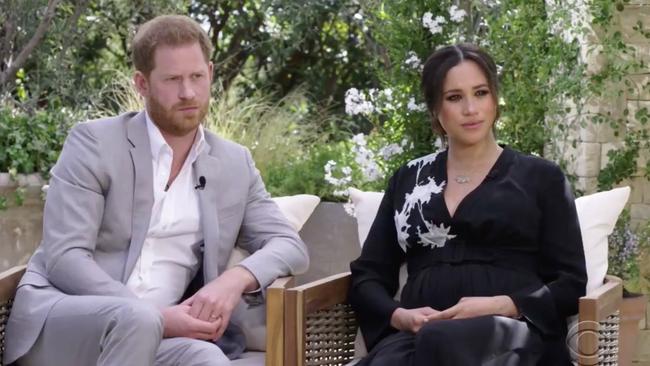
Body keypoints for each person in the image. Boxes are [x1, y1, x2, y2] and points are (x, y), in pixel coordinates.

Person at [4, 14, 309, 366]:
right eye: (172, 80)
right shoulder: (94, 143)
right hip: (67, 322)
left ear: (210, 73)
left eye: (196, 77)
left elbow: (290, 246)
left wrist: (234, 280)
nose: (188, 93)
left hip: (162, 336)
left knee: (208, 360)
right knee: (139, 319)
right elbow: (64, 258)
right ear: (142, 83)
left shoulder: (234, 163)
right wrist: (156, 315)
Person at [349, 44, 587, 366]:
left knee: (437, 342)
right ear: (435, 109)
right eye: (454, 97)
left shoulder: (541, 178)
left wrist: (503, 305)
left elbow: (571, 284)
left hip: (512, 338)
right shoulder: (408, 180)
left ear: (494, 100)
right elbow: (369, 275)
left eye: (480, 93)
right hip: (419, 337)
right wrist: (399, 316)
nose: (471, 109)